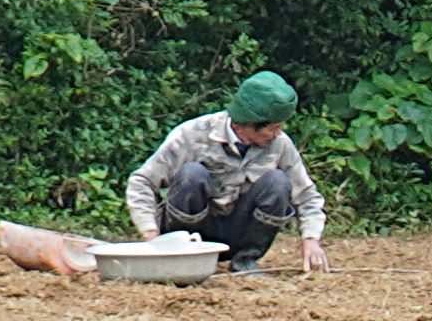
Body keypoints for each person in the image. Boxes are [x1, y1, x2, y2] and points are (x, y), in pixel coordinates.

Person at [124, 73, 335, 276]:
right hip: (187, 234)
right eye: (273, 128)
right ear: (247, 125)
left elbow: (306, 195)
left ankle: (245, 261)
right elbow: (142, 180)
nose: (277, 134)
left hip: (237, 230)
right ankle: (181, 259)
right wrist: (150, 234)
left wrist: (311, 239)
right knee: (192, 174)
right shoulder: (192, 134)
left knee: (278, 182)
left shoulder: (280, 145)